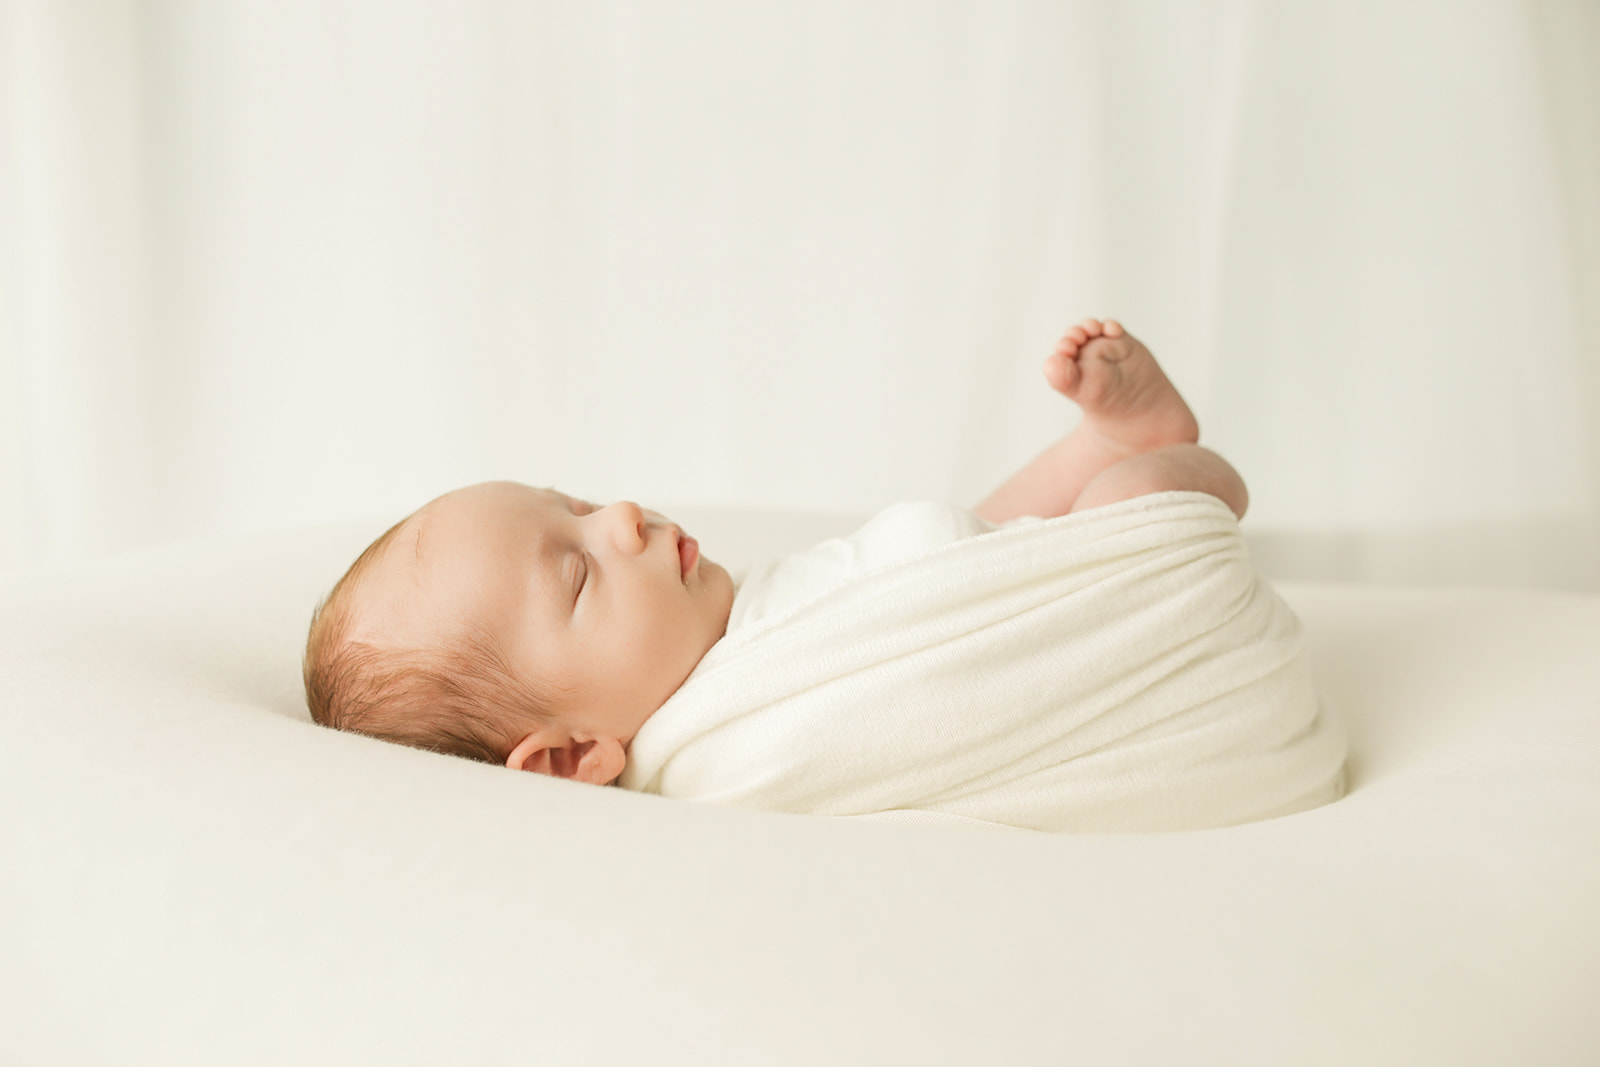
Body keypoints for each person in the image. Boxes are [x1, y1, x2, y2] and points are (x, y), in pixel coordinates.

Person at [304, 318, 1249, 789]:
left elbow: (967, 571)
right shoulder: (732, 750)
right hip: (1174, 674)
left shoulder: (740, 631)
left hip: (1020, 589)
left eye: (581, 504)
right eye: (580, 569)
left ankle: (1109, 447)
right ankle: (1153, 466)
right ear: (568, 758)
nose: (625, 515)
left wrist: (1069, 475)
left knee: (975, 539)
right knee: (1130, 508)